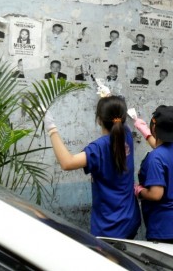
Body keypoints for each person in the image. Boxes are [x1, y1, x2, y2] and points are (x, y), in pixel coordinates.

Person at [43, 96, 141, 238]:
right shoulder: (125, 134)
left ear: (99, 120)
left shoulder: (98, 148)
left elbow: (67, 162)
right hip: (130, 219)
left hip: (110, 228)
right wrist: (107, 98)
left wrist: (51, 127)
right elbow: (117, 116)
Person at [134, 106, 173, 244]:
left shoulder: (155, 158)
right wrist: (146, 133)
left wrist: (138, 191)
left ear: (154, 128)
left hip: (166, 228)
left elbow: (156, 194)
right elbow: (160, 149)